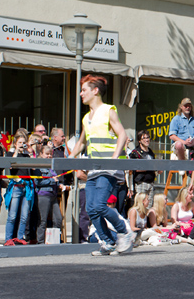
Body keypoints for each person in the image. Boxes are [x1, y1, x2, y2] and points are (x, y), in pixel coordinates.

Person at [69, 74, 135, 256]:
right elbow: (81, 142)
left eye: (84, 90)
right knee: (91, 208)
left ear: (95, 91)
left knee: (99, 205)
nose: (81, 94)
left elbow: (122, 135)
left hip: (110, 167)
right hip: (95, 168)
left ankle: (124, 230)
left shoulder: (108, 110)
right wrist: (69, 157)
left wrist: (114, 159)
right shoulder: (86, 117)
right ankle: (108, 242)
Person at [4, 134, 34, 244]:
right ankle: (8, 238)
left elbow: (34, 167)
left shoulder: (26, 156)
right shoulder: (11, 154)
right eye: (20, 143)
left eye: (23, 142)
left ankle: (20, 237)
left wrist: (30, 152)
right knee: (12, 215)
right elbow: (11, 165)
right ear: (15, 144)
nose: (22, 145)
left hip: (26, 188)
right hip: (16, 187)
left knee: (24, 216)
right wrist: (16, 150)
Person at [35, 145, 63, 244]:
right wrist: (52, 180)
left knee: (58, 218)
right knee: (43, 220)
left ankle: (54, 240)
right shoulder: (38, 167)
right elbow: (38, 182)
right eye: (46, 154)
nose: (49, 156)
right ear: (41, 154)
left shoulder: (51, 166)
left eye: (50, 154)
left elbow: (56, 179)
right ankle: (40, 242)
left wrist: (59, 184)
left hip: (53, 195)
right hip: (43, 194)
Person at [129, 130, 156, 209]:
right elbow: (136, 169)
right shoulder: (135, 152)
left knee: (149, 206)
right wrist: (150, 167)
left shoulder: (150, 152)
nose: (147, 140)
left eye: (148, 137)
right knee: (140, 206)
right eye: (144, 138)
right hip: (141, 183)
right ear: (140, 141)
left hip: (151, 182)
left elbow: (154, 166)